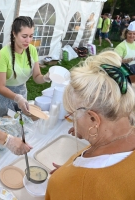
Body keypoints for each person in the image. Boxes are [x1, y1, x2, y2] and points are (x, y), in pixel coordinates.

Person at [45, 51, 135, 199]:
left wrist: (69, 182)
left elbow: (88, 185)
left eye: (72, 115)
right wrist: (71, 174)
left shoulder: (61, 185)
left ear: (93, 119)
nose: (73, 121)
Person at [0, 16, 50, 118]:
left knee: (21, 121)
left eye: (31, 36)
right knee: (7, 123)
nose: (28, 40)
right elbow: (0, 86)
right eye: (24, 36)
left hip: (21, 91)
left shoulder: (32, 50)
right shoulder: (4, 54)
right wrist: (17, 98)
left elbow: (37, 77)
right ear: (14, 33)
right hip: (4, 95)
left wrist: (45, 77)